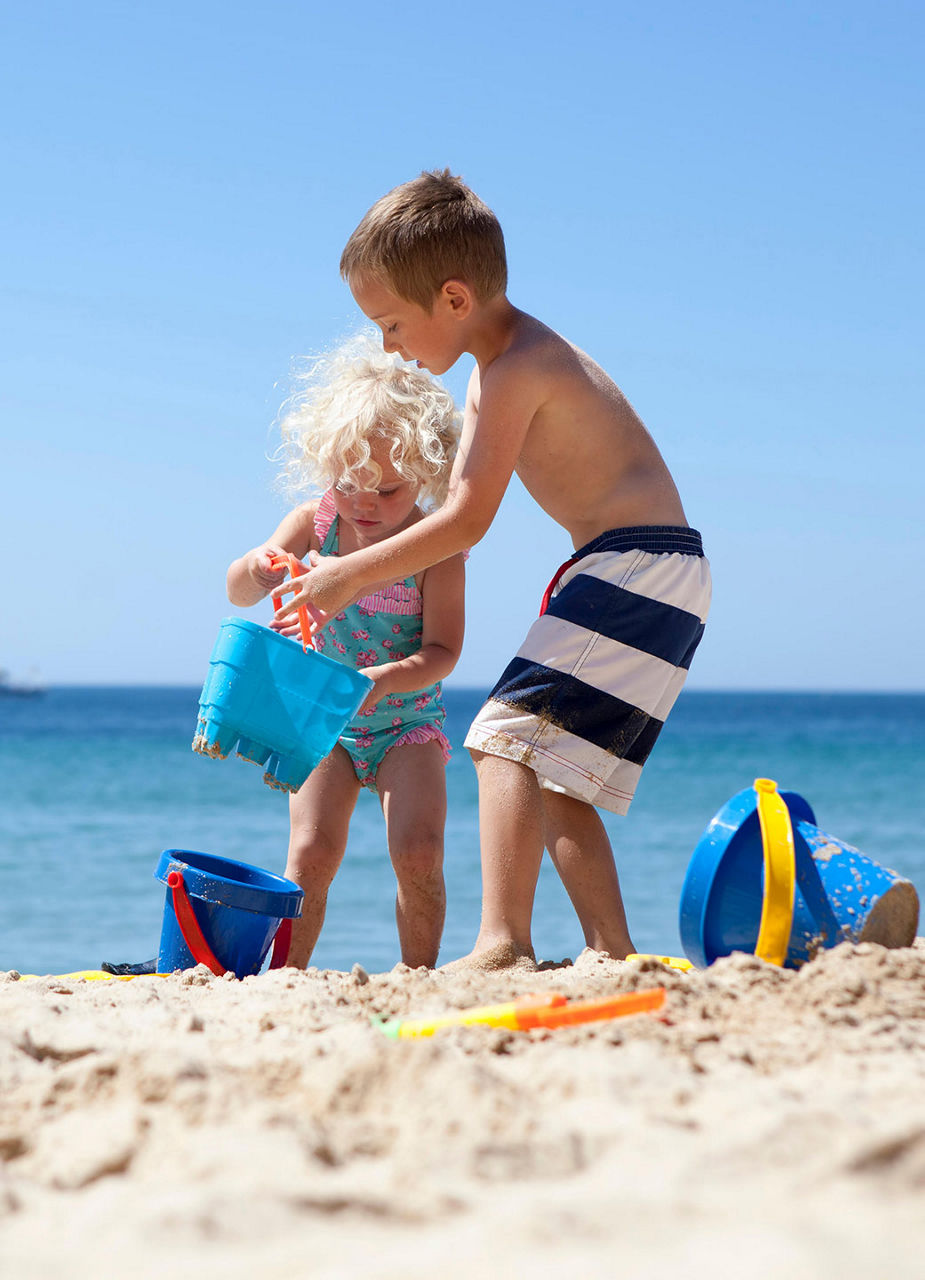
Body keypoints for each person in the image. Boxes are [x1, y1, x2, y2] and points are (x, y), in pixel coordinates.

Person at [276, 170, 712, 971]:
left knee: (501, 739)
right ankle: (612, 952)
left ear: (452, 299)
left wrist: (345, 577)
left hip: (635, 567)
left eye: (391, 322)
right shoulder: (500, 367)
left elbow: (466, 521)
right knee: (553, 772)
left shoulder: (515, 369)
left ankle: (503, 944)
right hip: (640, 568)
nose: (388, 345)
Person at [227, 334, 465, 969]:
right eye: (351, 482)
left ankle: (417, 977)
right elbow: (238, 590)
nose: (366, 503)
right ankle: (287, 978)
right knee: (310, 853)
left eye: (389, 490)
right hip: (322, 716)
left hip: (404, 719)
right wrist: (260, 567)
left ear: (426, 474)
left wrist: (386, 680)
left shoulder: (434, 547)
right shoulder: (317, 522)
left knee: (418, 851)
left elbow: (444, 651)